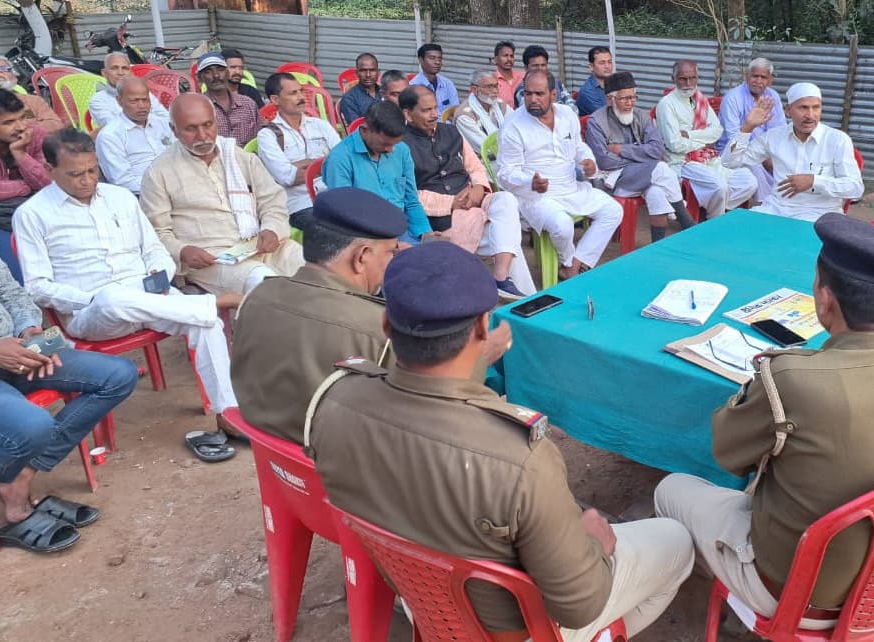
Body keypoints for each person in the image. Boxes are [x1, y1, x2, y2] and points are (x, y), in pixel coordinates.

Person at [307, 241, 695, 642]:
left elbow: (428, 400)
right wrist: (597, 546)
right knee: (677, 541)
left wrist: (474, 362)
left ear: (387, 325)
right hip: (516, 629)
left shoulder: (333, 403)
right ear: (482, 328)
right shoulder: (520, 458)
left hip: (422, 598)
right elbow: (580, 605)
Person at [655, 213, 874, 627]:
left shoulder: (790, 378)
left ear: (824, 299)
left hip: (797, 594)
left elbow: (727, 455)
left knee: (671, 489)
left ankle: (722, 600)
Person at [11, 128, 240, 457]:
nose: (87, 180)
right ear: (49, 170)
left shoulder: (120, 197)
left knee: (208, 324)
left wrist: (159, 275)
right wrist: (92, 299)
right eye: (75, 174)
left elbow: (154, 250)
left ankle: (228, 415)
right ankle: (210, 303)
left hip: (149, 297)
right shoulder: (32, 214)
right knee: (112, 297)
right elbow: (37, 286)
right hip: (93, 312)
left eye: (93, 170)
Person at [0, 236, 138, 554]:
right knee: (34, 425)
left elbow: (10, 291)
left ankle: (22, 472)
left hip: (16, 346)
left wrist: (30, 330)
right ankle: (7, 487)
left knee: (119, 375)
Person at [231, 188, 405, 443]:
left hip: (269, 449)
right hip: (337, 458)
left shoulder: (256, 297)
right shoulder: (380, 328)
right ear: (361, 257)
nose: (394, 261)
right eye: (392, 252)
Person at [140, 94, 302, 296]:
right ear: (174, 130)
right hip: (212, 260)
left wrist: (272, 229)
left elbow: (272, 202)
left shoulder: (240, 158)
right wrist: (182, 251)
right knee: (264, 281)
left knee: (313, 271)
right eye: (191, 129)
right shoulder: (159, 172)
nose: (202, 135)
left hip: (259, 246)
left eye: (207, 125)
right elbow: (156, 232)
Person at [400, 85, 535, 299]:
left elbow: (475, 167)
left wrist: (479, 187)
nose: (434, 114)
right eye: (426, 110)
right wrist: (451, 203)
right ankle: (522, 296)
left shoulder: (450, 132)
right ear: (408, 114)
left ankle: (502, 280)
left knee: (506, 200)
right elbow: (407, 194)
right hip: (444, 220)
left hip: (474, 201)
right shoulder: (400, 145)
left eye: (435, 108)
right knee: (509, 240)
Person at [498, 71, 622, 280]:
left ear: (553, 95)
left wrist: (588, 161)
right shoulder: (513, 125)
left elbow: (578, 146)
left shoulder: (567, 115)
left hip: (572, 188)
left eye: (539, 94)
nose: (532, 99)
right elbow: (505, 173)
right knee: (563, 225)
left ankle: (575, 265)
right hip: (537, 197)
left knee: (613, 211)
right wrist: (530, 182)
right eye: (528, 94)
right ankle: (568, 262)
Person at [723, 82, 863, 222]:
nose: (810, 115)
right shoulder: (774, 137)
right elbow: (730, 162)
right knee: (740, 228)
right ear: (788, 110)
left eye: (816, 107)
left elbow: (855, 188)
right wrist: (747, 127)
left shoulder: (837, 140)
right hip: (776, 208)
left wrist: (814, 181)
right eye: (803, 108)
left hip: (819, 213)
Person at [586, 71, 694, 243]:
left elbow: (657, 149)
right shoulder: (596, 122)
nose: (630, 103)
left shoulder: (640, 115)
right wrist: (643, 157)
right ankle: (687, 222)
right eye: (624, 99)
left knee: (657, 193)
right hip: (613, 180)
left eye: (633, 97)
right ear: (610, 100)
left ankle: (657, 246)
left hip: (643, 175)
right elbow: (605, 161)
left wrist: (622, 149)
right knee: (660, 168)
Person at [322, 100, 432, 246]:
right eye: (385, 144)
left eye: (394, 144)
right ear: (365, 130)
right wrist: (390, 247)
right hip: (366, 238)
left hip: (401, 231)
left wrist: (426, 233)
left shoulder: (401, 150)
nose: (390, 150)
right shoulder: (340, 158)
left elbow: (411, 201)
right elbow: (344, 216)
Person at [656, 59, 757, 217]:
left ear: (697, 78)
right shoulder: (666, 104)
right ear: (673, 79)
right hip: (683, 161)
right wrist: (704, 140)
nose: (688, 83)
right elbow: (674, 144)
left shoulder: (700, 99)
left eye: (692, 78)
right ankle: (715, 218)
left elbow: (717, 131)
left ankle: (713, 211)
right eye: (683, 79)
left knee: (749, 182)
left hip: (708, 156)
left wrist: (689, 134)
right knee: (719, 186)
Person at [256, 72, 340, 231]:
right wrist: (326, 162)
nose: (301, 97)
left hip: (334, 195)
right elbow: (287, 177)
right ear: (275, 100)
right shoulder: (268, 135)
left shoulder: (320, 125)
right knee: (333, 230)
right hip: (301, 204)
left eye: (301, 91)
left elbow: (343, 161)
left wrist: (302, 165)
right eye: (293, 93)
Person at [0, 87, 51, 284]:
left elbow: (49, 183)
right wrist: (29, 186)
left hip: (36, 209)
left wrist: (21, 155)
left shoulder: (36, 134)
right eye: (9, 122)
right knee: (14, 267)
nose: (21, 126)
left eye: (22, 118)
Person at [718, 58, 786, 200]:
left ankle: (784, 204)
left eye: (763, 77)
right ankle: (763, 205)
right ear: (747, 76)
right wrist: (763, 157)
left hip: (765, 152)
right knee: (756, 167)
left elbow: (779, 131)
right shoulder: (732, 98)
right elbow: (733, 137)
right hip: (734, 152)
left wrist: (772, 156)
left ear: (770, 80)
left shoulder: (773, 96)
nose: (758, 81)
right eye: (755, 76)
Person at [95, 77, 172, 195]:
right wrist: (164, 186)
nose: (142, 106)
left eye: (145, 100)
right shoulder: (110, 136)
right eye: (134, 101)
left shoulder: (163, 124)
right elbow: (122, 182)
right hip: (143, 194)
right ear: (119, 101)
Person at [88, 52, 170, 129]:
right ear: (104, 73)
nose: (120, 73)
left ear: (130, 73)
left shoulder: (143, 93)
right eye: (114, 68)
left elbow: (166, 119)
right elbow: (116, 128)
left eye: (125, 68)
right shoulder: (98, 100)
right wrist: (149, 119)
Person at [0, 54, 63, 132]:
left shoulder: (33, 101)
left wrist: (28, 130)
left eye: (6, 69)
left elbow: (56, 124)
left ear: (14, 78)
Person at [197, 52, 260, 147]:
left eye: (220, 70)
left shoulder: (248, 104)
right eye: (208, 71)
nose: (216, 75)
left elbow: (259, 137)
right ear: (200, 78)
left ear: (227, 73)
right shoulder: (197, 108)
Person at [454, 68, 510, 153]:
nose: (495, 91)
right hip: (480, 157)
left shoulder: (500, 104)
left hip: (506, 151)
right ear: (474, 90)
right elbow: (485, 147)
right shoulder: (464, 116)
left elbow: (516, 126)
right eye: (489, 87)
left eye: (496, 86)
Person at [513, 45, 578, 111]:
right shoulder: (522, 90)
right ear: (526, 68)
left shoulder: (558, 85)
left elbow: (574, 109)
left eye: (543, 65)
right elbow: (532, 113)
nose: (540, 69)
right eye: (535, 65)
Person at [408, 44, 459, 119]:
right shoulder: (413, 87)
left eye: (439, 59)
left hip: (448, 125)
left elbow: (455, 110)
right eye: (432, 58)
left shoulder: (448, 84)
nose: (437, 62)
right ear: (421, 60)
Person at [339, 52, 381, 124]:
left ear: (378, 72)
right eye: (363, 71)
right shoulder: (349, 99)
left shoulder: (385, 93)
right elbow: (356, 127)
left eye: (372, 70)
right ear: (357, 73)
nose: (368, 75)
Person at [575, 46, 613, 116]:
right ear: (591, 67)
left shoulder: (615, 84)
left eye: (609, 62)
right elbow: (607, 117)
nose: (607, 66)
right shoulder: (587, 92)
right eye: (602, 63)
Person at [492, 40, 523, 107]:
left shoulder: (523, 77)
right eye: (505, 56)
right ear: (496, 59)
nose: (509, 59)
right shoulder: (491, 81)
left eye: (511, 56)